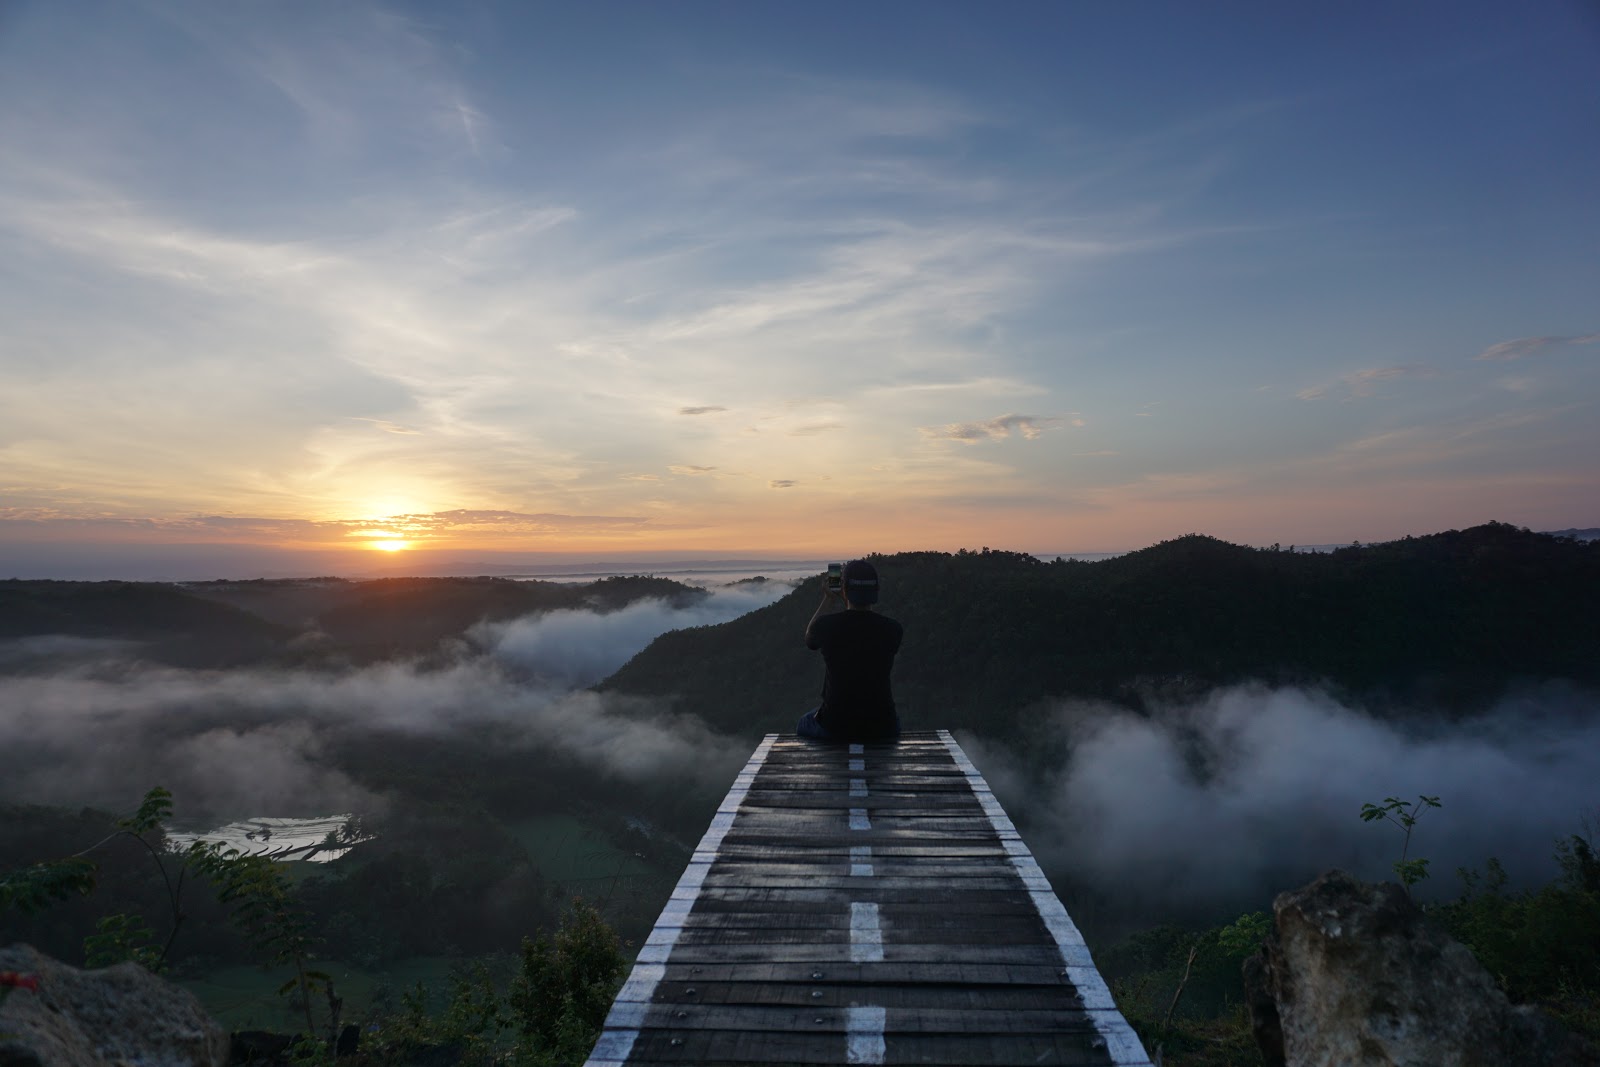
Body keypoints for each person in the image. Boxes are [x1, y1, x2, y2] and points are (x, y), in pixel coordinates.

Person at [796, 558, 903, 742]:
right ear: (876, 591)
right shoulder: (893, 629)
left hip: (835, 725)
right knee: (895, 721)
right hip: (883, 726)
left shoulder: (826, 626)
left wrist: (828, 598)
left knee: (803, 723)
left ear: (844, 590)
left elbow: (810, 639)